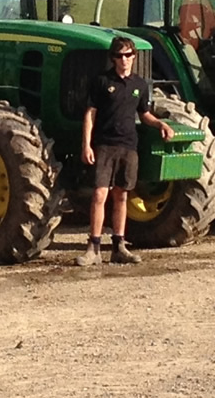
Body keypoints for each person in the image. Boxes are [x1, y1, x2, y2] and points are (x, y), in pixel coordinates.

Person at [78, 36, 176, 266]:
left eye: (129, 55)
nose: (125, 60)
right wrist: (86, 145)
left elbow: (144, 114)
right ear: (113, 59)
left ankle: (119, 246)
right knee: (100, 195)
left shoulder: (139, 85)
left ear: (134, 57)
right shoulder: (101, 82)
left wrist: (161, 124)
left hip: (128, 146)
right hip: (104, 145)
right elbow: (90, 114)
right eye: (120, 56)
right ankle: (93, 247)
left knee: (122, 195)